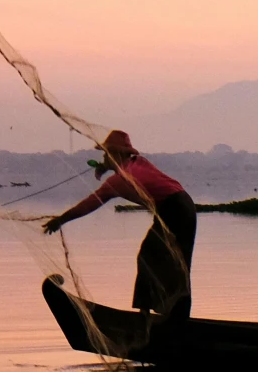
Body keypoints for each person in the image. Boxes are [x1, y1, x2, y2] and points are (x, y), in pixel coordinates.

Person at [42, 130, 197, 325]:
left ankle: (148, 317)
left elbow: (90, 204)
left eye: (107, 154)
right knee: (176, 262)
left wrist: (61, 219)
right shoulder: (138, 163)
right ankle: (176, 318)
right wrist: (107, 166)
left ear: (117, 154)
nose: (104, 157)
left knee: (150, 257)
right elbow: (129, 170)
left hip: (174, 209)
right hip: (183, 206)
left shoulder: (120, 180)